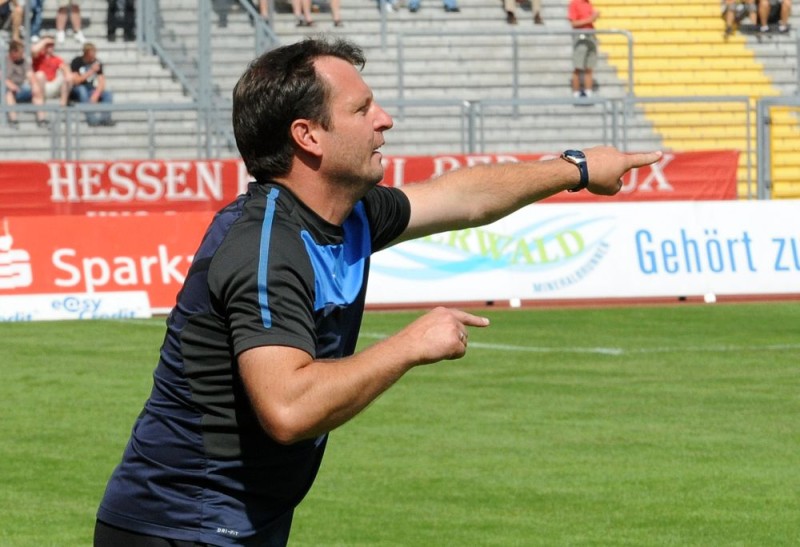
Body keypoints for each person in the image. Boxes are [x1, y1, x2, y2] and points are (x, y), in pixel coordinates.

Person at [93, 37, 661, 547]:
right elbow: (289, 407)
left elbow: (465, 197)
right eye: (362, 109)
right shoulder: (266, 248)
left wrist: (576, 168)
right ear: (308, 136)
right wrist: (408, 345)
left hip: (241, 522)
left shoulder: (350, 214)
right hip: (176, 526)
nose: (384, 120)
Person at [4, 39, 48, 128]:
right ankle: (13, 120)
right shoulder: (4, 61)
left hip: (21, 88)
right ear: (13, 52)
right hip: (7, 89)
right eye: (20, 52)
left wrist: (34, 84)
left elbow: (30, 74)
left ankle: (42, 119)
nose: (22, 54)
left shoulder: (24, 61)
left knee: (36, 88)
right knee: (8, 93)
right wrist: (10, 85)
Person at [70, 42, 114, 126]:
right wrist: (91, 71)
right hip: (78, 89)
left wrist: (96, 94)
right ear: (86, 53)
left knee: (108, 94)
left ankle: (105, 119)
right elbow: (76, 81)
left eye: (95, 52)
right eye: (92, 52)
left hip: (91, 89)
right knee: (82, 90)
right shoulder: (77, 61)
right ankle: (92, 119)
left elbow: (102, 81)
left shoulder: (97, 62)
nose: (94, 54)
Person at [568, 0, 599, 99]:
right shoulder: (574, 3)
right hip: (581, 37)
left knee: (589, 66)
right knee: (578, 66)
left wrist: (593, 18)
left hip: (591, 36)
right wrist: (590, 19)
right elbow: (574, 23)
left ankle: (588, 92)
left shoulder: (588, 3)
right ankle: (576, 93)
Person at [32, 34, 72, 107]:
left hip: (52, 85)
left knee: (68, 76)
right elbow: (33, 50)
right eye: (48, 45)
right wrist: (45, 41)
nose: (51, 47)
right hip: (40, 85)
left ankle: (63, 106)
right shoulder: (38, 56)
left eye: (52, 45)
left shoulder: (56, 59)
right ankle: (40, 104)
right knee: (40, 75)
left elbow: (65, 69)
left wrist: (67, 73)